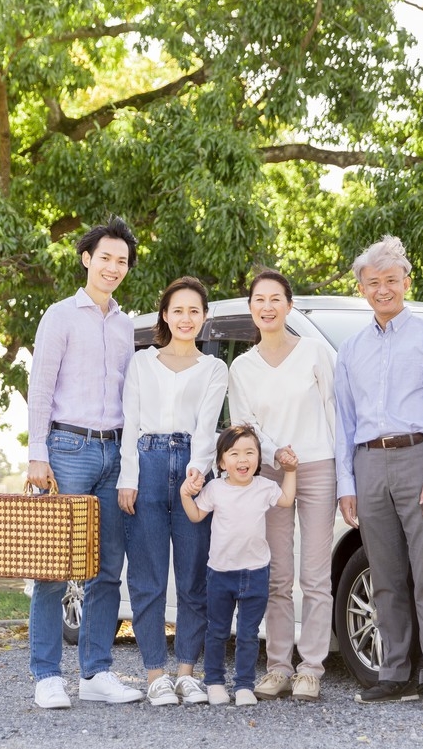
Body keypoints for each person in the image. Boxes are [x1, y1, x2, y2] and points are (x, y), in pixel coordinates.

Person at [334, 235, 423, 711]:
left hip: (418, 458)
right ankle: (394, 672)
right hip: (369, 464)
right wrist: (347, 484)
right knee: (384, 573)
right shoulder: (350, 349)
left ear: (407, 282)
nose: (382, 289)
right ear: (362, 289)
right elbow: (343, 420)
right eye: (373, 282)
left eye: (391, 280)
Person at [25, 216, 145, 709]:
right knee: (54, 568)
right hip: (67, 449)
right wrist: (37, 452)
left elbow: (130, 397)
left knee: (107, 568)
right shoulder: (59, 315)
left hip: (113, 452)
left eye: (122, 261)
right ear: (87, 259)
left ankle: (96, 672)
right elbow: (41, 387)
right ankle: (47, 675)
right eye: (106, 258)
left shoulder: (125, 326)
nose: (113, 267)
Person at [226, 270, 337, 702]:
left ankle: (311, 668)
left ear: (289, 305)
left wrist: (341, 474)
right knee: (277, 575)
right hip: (271, 474)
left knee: (314, 575)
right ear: (250, 308)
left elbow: (334, 411)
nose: (267, 306)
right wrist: (275, 455)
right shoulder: (243, 366)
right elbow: (246, 427)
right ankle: (277, 666)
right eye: (259, 299)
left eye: (276, 299)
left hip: (317, 466)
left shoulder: (313, 351)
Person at [117, 276, 228, 707]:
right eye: (178, 310)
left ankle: (186, 672)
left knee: (193, 577)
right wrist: (128, 477)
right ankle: (155, 674)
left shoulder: (214, 368)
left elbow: (206, 427)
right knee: (146, 577)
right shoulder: (142, 362)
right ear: (165, 315)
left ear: (203, 318)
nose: (186, 318)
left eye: (194, 311)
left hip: (191, 469)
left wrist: (197, 474)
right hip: (145, 464)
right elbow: (130, 421)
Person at [180, 424, 298, 707]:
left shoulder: (265, 487)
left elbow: (286, 499)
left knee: (248, 633)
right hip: (220, 572)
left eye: (249, 452)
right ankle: (215, 682)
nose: (242, 459)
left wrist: (290, 472)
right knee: (218, 631)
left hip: (256, 572)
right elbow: (196, 515)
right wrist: (186, 495)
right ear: (221, 462)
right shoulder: (215, 489)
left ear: (259, 458)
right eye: (234, 454)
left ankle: (244, 684)